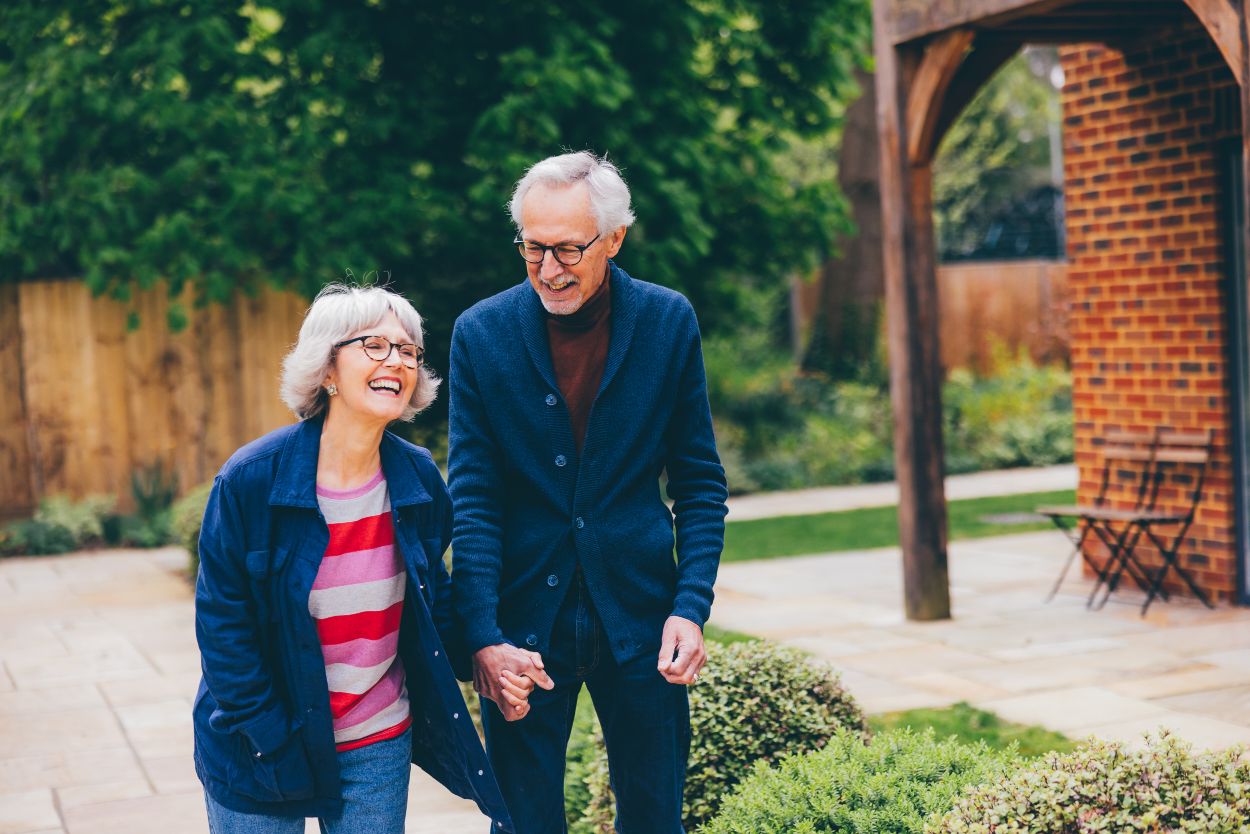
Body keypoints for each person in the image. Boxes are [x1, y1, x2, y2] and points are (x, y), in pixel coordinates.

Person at [449, 151, 729, 833]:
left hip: (640, 618)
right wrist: (482, 635)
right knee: (523, 824)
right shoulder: (479, 334)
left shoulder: (667, 322)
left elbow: (698, 483)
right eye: (532, 249)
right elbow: (475, 500)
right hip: (520, 629)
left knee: (656, 819)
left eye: (568, 249)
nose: (549, 269)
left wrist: (689, 608)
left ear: (615, 239)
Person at [192, 284, 538, 834]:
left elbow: (432, 598)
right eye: (374, 346)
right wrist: (272, 737)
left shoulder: (416, 476)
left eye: (407, 351)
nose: (396, 361)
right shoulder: (251, 480)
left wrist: (484, 648)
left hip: (373, 741)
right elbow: (223, 629)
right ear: (327, 369)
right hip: (260, 740)